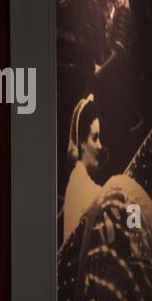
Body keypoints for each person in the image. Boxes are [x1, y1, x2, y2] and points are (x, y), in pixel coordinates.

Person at [62, 94, 107, 243]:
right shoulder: (79, 183)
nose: (100, 146)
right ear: (81, 143)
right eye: (95, 138)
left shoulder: (78, 180)